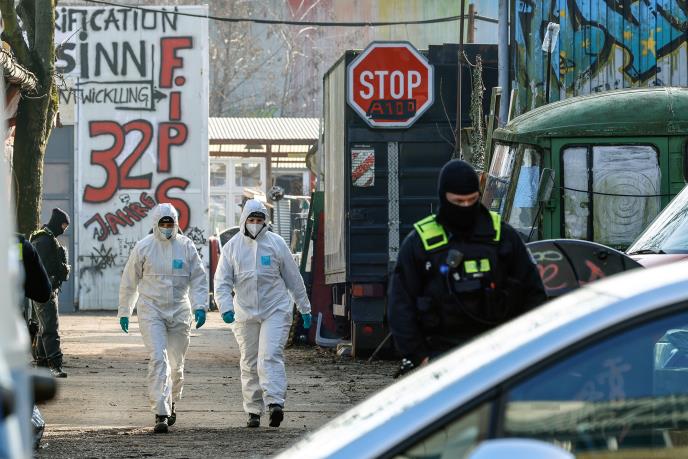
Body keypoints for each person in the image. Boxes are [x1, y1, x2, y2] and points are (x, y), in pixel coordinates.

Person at [388, 160, 546, 375]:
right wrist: (420, 358)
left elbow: (534, 294)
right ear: (443, 197)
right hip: (440, 359)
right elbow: (400, 305)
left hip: (499, 354)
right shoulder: (421, 243)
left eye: (472, 200)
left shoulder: (503, 237)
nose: (465, 207)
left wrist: (524, 348)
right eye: (458, 202)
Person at [214, 199, 312, 428]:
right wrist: (225, 307)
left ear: (265, 221)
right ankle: (253, 410)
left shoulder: (276, 244)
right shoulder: (232, 248)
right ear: (244, 220)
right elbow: (222, 281)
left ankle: (275, 403)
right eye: (252, 219)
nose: (256, 223)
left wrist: (304, 307)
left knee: (269, 355)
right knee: (249, 360)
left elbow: (293, 278)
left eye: (259, 219)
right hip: (244, 312)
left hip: (275, 309)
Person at [118, 203, 208, 434]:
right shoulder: (144, 247)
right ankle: (161, 411)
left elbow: (198, 278)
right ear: (156, 224)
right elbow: (129, 280)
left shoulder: (186, 247)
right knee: (158, 358)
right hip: (152, 310)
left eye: (170, 223)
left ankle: (172, 400)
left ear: (176, 224)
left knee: (176, 364)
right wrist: (125, 310)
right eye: (163, 223)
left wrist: (200, 306)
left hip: (179, 310)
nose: (167, 227)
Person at [30, 207, 71, 378]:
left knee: (43, 328)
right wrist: (61, 271)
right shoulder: (45, 241)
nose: (64, 230)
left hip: (42, 289)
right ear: (58, 223)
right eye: (63, 226)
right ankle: (55, 365)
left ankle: (42, 365)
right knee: (51, 329)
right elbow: (44, 268)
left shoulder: (43, 237)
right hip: (45, 291)